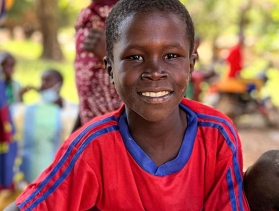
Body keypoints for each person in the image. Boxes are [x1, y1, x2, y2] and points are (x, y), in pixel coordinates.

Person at [3, 0, 272, 210]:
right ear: (109, 68)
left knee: (272, 169)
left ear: (191, 64)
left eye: (171, 55)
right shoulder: (91, 147)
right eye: (134, 57)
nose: (155, 72)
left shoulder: (216, 134)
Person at [10, 69, 78, 184]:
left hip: (58, 174)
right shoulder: (32, 111)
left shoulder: (73, 110)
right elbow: (14, 120)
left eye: (48, 80)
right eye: (41, 81)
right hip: (30, 173)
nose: (43, 85)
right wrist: (19, 98)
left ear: (59, 84)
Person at [74, 0, 121, 126]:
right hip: (92, 127)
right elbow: (86, 88)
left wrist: (110, 56)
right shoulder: (88, 17)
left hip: (124, 129)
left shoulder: (139, 14)